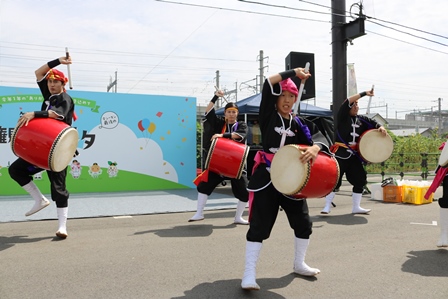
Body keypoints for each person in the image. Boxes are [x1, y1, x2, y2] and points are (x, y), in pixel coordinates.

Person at [241, 67, 330, 291]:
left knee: (303, 223)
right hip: (266, 177)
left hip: (292, 180)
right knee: (260, 226)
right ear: (277, 98)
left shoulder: (298, 123)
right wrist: (293, 73)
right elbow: (268, 82)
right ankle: (249, 274)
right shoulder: (268, 115)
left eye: (292, 96)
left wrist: (315, 148)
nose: (288, 100)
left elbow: (321, 137)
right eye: (284, 96)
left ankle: (299, 263)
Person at [8, 56, 76, 239]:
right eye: (50, 81)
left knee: (58, 188)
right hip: (41, 149)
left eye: (56, 81)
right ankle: (39, 199)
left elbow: (57, 115)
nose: (52, 84)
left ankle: (62, 227)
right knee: (16, 170)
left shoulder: (65, 99)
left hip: (57, 151)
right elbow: (38, 73)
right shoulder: (49, 96)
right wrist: (58, 61)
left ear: (63, 84)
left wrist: (34, 113)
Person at [321, 89, 387, 215]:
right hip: (340, 153)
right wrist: (364, 94)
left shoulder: (362, 119)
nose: (356, 106)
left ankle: (356, 206)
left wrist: (381, 127)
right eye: (354, 104)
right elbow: (347, 101)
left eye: (357, 104)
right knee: (335, 180)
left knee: (360, 179)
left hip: (354, 155)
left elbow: (374, 123)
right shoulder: (342, 116)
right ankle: (327, 206)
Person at [189, 90, 249, 225]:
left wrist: (222, 136)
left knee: (244, 193)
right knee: (204, 186)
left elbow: (239, 136)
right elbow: (208, 111)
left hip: (236, 164)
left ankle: (238, 217)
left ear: (237, 113)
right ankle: (199, 213)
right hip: (219, 163)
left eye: (234, 112)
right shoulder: (219, 123)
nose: (231, 114)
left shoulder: (241, 125)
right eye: (229, 112)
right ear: (225, 113)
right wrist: (216, 96)